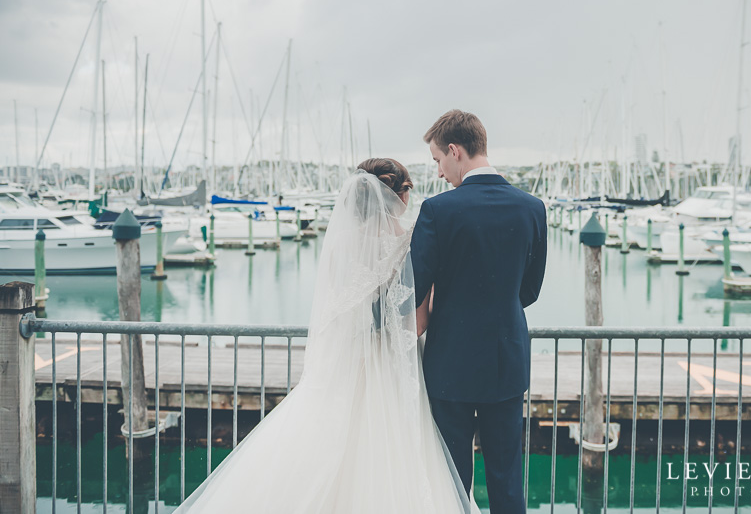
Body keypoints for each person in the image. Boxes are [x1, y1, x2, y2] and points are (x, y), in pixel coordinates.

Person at [174, 158, 476, 514]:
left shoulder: (340, 243)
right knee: (398, 454)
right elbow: (418, 324)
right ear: (402, 194)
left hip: (345, 364)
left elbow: (332, 315)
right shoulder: (411, 242)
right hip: (394, 368)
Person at [411, 110, 548, 514]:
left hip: (449, 364)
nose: (439, 172)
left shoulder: (438, 211)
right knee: (506, 477)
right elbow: (530, 289)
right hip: (506, 361)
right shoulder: (532, 207)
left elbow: (415, 290)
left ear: (455, 151)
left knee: (451, 478)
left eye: (438, 160)